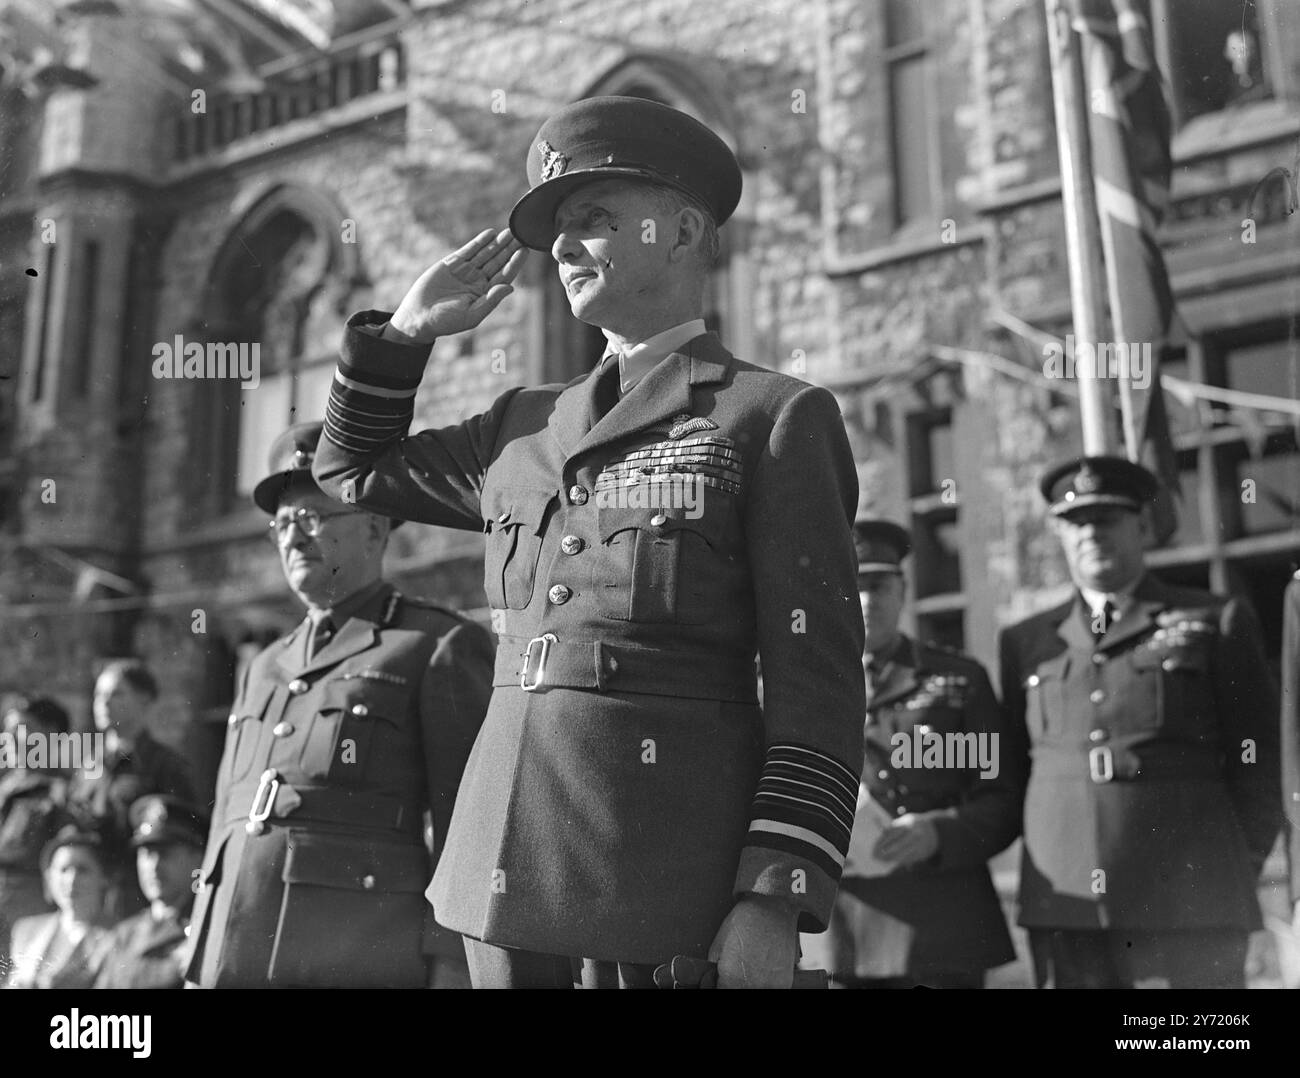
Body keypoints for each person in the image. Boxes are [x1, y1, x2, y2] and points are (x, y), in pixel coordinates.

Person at [313, 95, 865, 988]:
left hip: (656, 887)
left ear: (683, 231)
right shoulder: (520, 428)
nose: (564, 246)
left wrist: (774, 895)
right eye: (557, 228)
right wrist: (405, 336)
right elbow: (351, 475)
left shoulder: (770, 417)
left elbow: (819, 680)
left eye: (594, 219)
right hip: (494, 876)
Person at [184, 422, 494, 988]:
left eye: (312, 518)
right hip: (234, 957)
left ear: (374, 528)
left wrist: (451, 969)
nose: (292, 538)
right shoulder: (263, 664)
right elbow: (229, 825)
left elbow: (467, 832)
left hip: (353, 957)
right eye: (281, 524)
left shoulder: (435, 645)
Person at [999, 455, 1281, 988]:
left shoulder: (1213, 620)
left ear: (1143, 526)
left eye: (1106, 520)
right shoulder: (1026, 642)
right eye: (1076, 523)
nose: (1091, 535)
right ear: (1060, 535)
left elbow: (1259, 754)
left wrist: (1238, 860)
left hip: (1192, 892)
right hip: (1070, 900)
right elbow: (1010, 770)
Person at [801, 520, 1024, 988]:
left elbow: (1002, 801)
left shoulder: (958, 683)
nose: (866, 600)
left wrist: (939, 833)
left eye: (879, 585)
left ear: (902, 590)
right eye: (853, 585)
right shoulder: (798, 685)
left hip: (939, 929)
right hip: (839, 928)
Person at [69, 659, 196, 916]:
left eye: (116, 694)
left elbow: (182, 836)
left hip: (136, 896)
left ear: (145, 700)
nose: (104, 703)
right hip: (90, 897)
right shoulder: (88, 765)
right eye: (99, 695)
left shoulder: (165, 765)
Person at [90, 795, 207, 989]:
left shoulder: (205, 928)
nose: (154, 866)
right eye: (146, 854)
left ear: (196, 858)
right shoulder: (124, 935)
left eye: (165, 853)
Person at [0, 696, 76, 972]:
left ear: (51, 733)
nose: (8, 737)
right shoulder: (4, 787)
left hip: (29, 917)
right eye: (7, 729)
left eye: (21, 728)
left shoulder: (63, 791)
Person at [5, 826, 112, 988]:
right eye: (63, 870)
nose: (72, 880)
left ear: (103, 877)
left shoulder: (116, 935)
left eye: (82, 870)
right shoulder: (25, 930)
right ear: (49, 877)